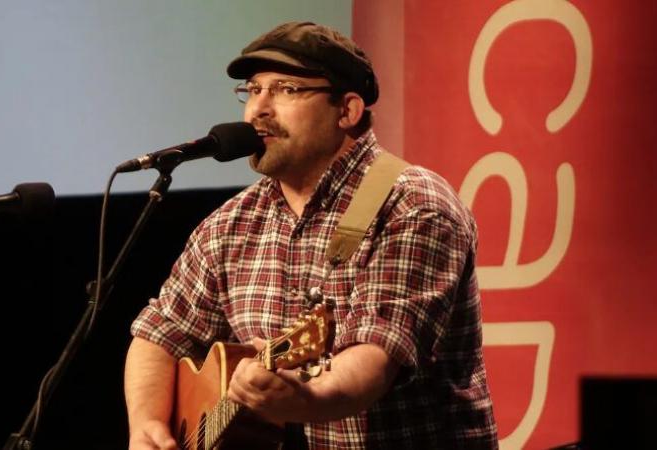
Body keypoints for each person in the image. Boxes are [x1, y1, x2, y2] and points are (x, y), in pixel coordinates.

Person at [124, 21, 498, 449]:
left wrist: (303, 398)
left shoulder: (412, 206)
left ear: (347, 111)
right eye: (253, 89)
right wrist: (147, 425)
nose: (258, 110)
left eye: (286, 89)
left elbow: (374, 360)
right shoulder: (230, 225)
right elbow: (159, 333)